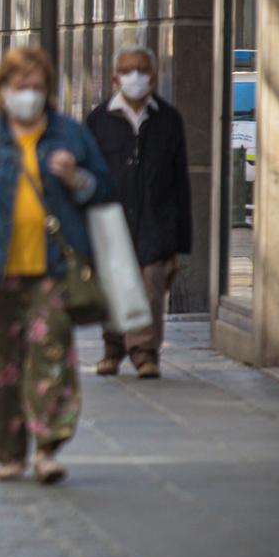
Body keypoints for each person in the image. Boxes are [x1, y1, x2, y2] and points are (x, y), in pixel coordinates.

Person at [0, 46, 112, 485]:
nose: (29, 95)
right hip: (0, 270)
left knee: (51, 353)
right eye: (21, 87)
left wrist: (76, 178)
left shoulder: (69, 135)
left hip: (54, 269)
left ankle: (47, 448)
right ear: (3, 90)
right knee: (5, 364)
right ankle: (9, 453)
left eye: (37, 87)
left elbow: (103, 189)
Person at [85, 43, 191, 379]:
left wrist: (181, 241)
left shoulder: (169, 120)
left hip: (156, 221)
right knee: (115, 289)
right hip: (111, 220)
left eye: (142, 70)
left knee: (151, 289)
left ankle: (146, 354)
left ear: (154, 78)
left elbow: (180, 180)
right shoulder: (99, 119)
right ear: (115, 78)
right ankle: (113, 349)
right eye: (128, 70)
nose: (135, 77)